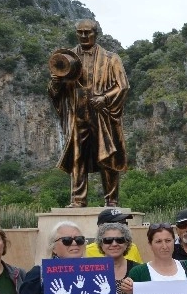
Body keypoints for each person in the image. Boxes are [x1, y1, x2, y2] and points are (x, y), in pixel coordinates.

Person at [48, 19, 128, 207]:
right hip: (77, 114)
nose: (84, 36)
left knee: (107, 157)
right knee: (78, 157)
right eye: (80, 32)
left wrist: (105, 98)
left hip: (102, 115)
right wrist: (56, 82)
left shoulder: (111, 58)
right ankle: (77, 200)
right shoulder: (67, 58)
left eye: (88, 32)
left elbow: (123, 86)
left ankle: (111, 200)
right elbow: (54, 92)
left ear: (96, 33)